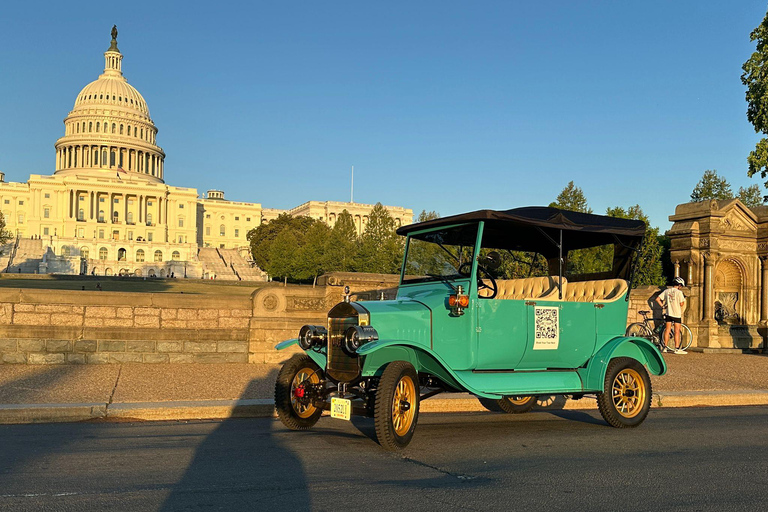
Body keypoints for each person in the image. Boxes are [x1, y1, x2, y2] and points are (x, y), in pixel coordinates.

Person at [656, 277, 687, 354]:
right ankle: (676, 348)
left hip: (668, 313)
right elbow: (681, 304)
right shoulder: (679, 293)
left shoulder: (666, 291)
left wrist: (663, 306)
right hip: (676, 314)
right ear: (679, 285)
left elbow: (657, 299)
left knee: (667, 330)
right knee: (677, 331)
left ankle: (665, 347)